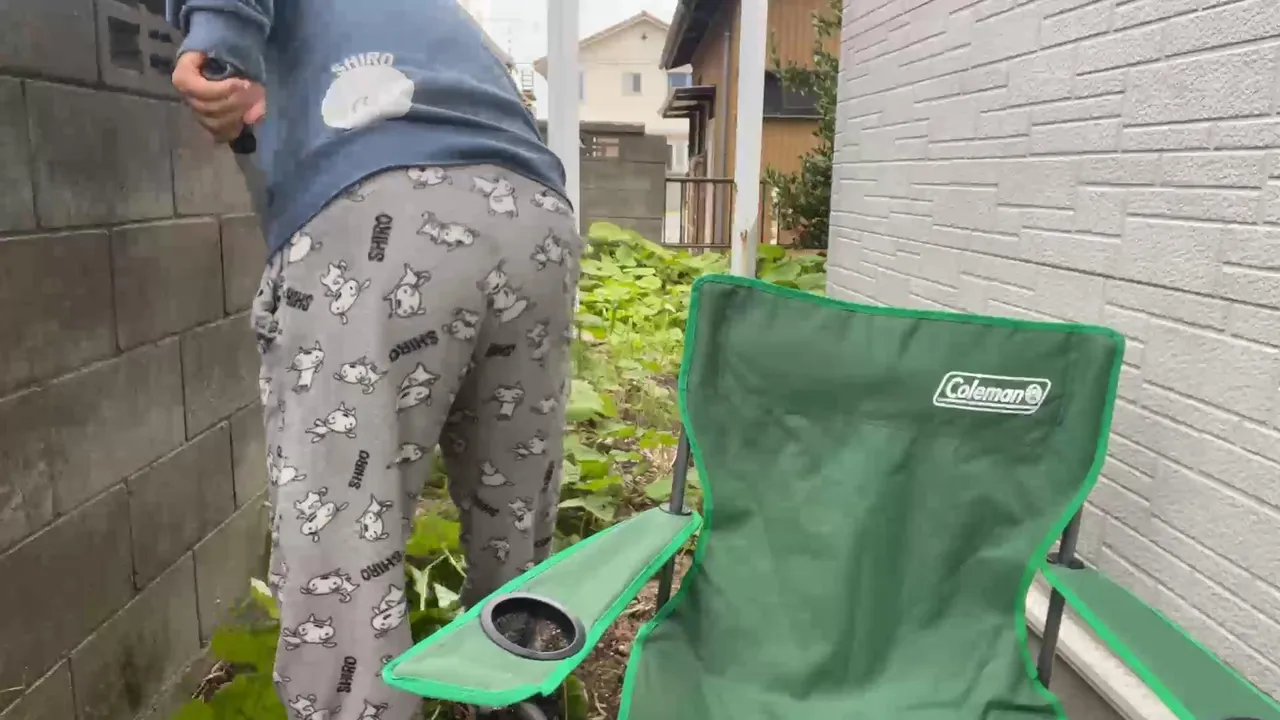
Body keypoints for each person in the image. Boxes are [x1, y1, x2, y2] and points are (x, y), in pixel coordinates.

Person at [166, 2, 580, 718]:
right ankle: (522, 697)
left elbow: (225, 43)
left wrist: (216, 39)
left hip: (386, 217)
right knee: (514, 527)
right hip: (536, 218)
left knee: (346, 549)